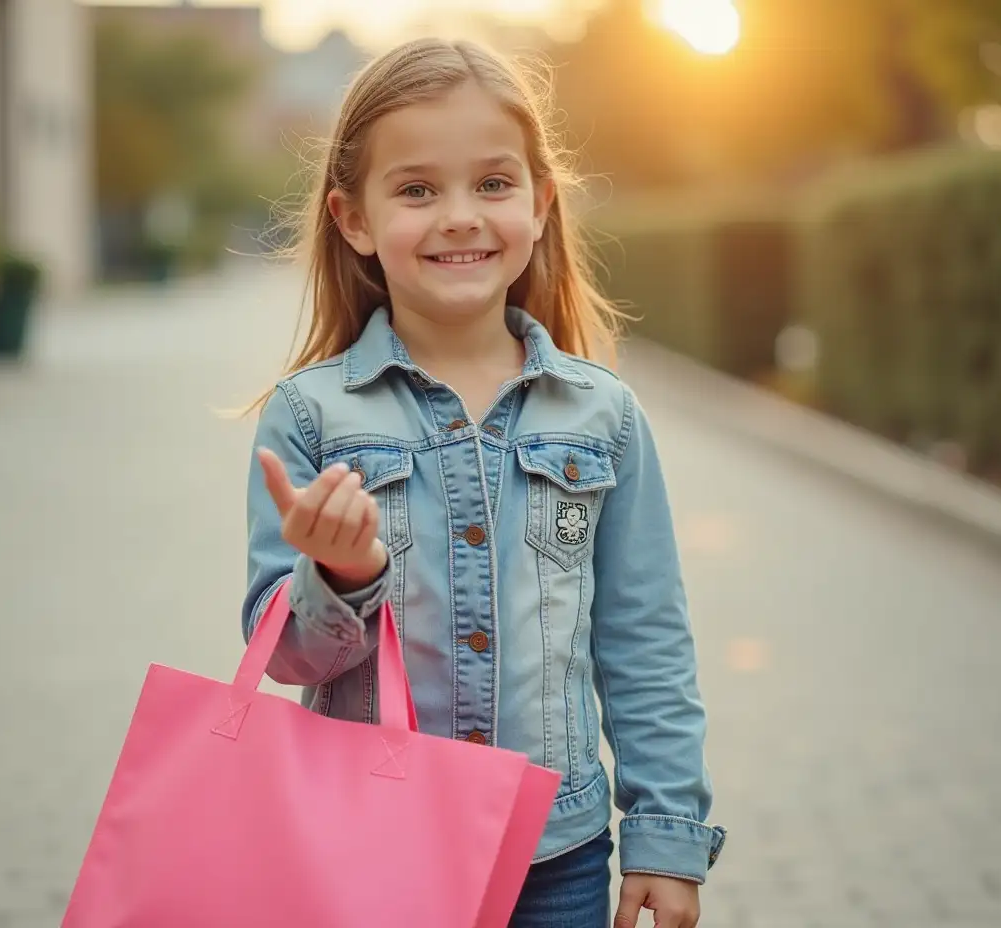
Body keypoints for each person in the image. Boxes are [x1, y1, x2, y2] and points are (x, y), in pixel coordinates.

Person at [243, 37, 726, 928]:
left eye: (493, 185)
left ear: (540, 206)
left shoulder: (604, 417)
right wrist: (340, 577)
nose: (460, 215)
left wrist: (664, 835)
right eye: (417, 189)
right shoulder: (309, 419)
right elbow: (285, 657)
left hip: (557, 856)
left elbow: (645, 642)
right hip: (366, 849)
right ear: (353, 219)